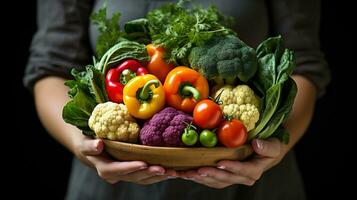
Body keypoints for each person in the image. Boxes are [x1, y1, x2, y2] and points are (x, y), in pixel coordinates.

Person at [24, 0, 330, 199]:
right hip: (110, 189)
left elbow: (303, 65)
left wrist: (275, 147)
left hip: (250, 186)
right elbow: (50, 66)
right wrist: (80, 143)